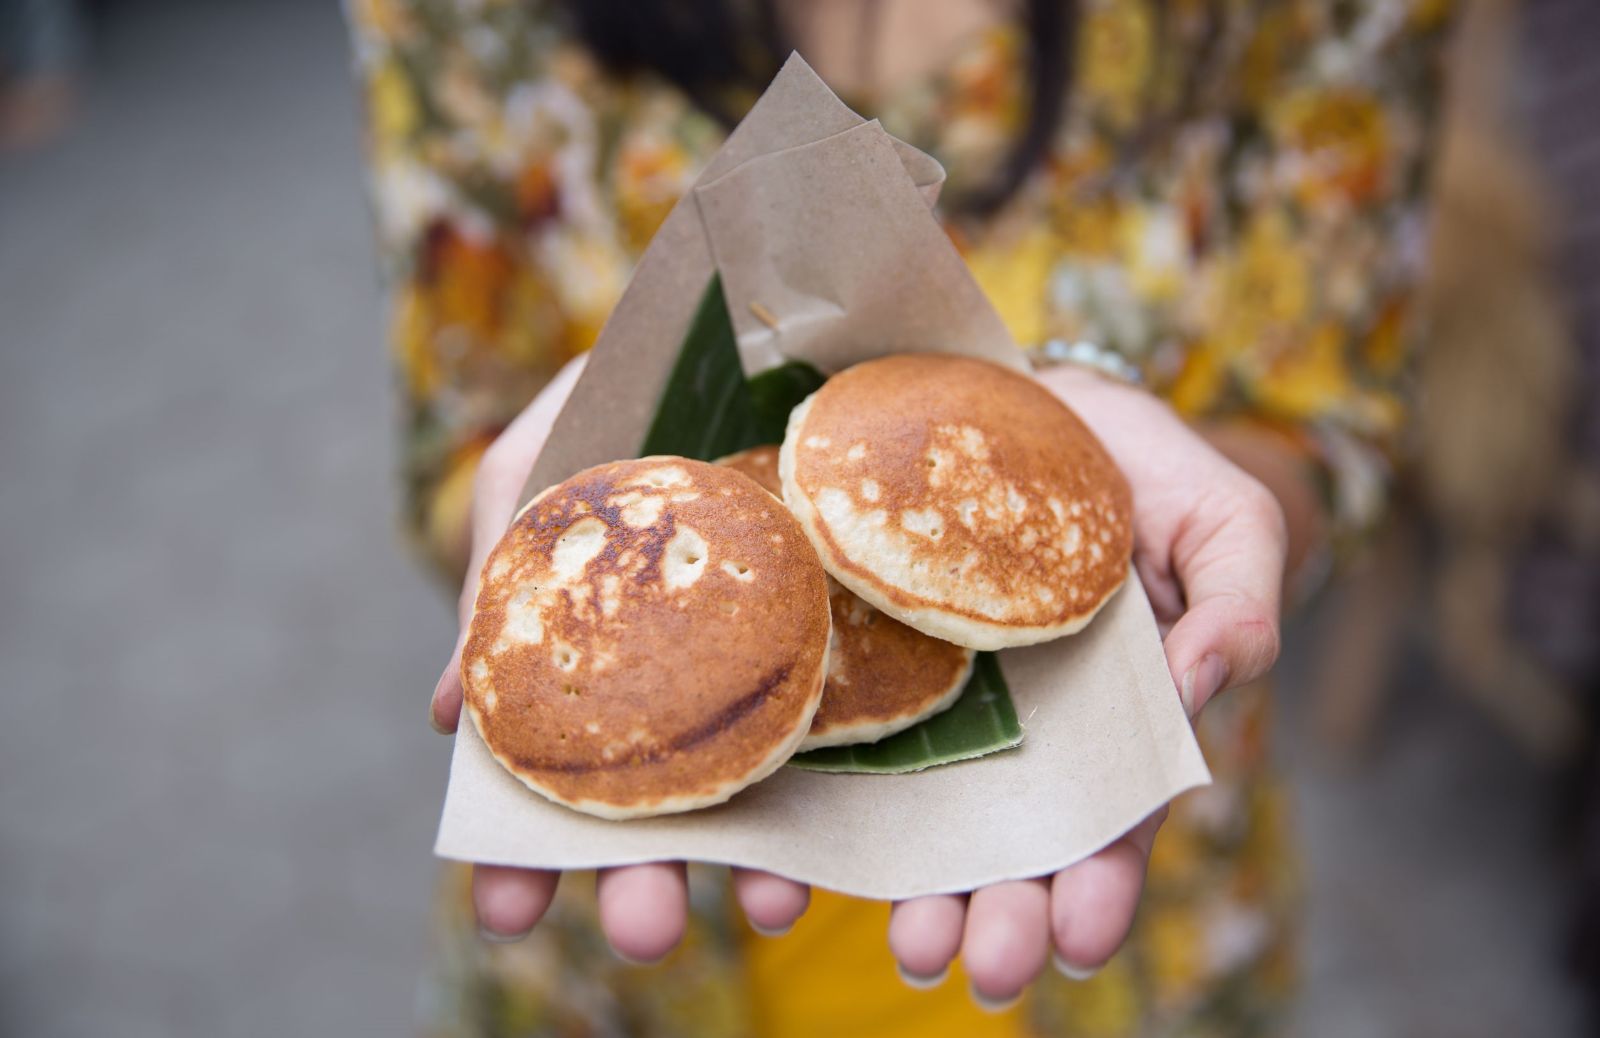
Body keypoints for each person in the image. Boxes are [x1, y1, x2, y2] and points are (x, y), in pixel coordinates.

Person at [347, 0, 1457, 1033]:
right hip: (628, 891)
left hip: (1101, 797)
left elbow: (1329, 418)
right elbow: (459, 455)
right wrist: (546, 492)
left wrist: (1121, 455)